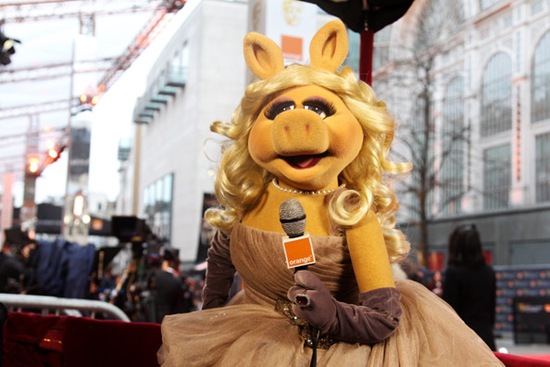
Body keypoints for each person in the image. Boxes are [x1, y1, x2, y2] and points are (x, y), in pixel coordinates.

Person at [158, 20, 503, 366]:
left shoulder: (351, 212)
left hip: (335, 351)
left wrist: (333, 315)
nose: (295, 125)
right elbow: (221, 256)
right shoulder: (249, 200)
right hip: (246, 341)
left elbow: (384, 317)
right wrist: (212, 314)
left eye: (319, 109)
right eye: (278, 111)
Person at [442, 224, 497, 351]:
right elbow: (492, 309)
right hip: (485, 337)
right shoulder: (489, 272)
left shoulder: (454, 273)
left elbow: (448, 309)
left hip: (462, 338)